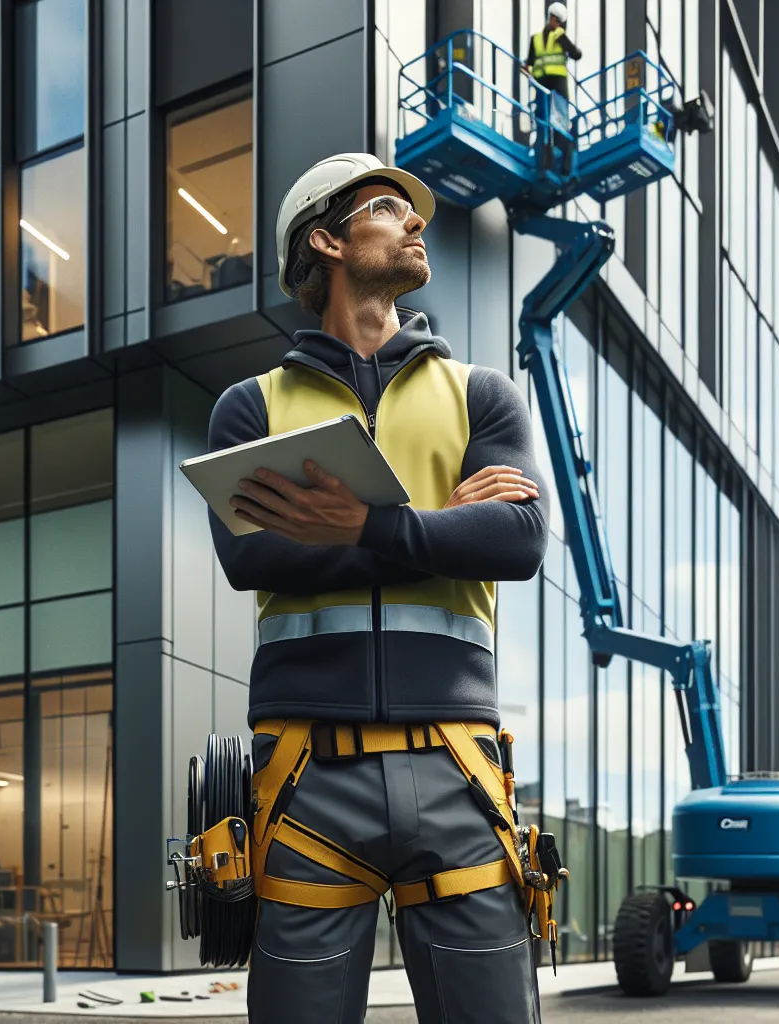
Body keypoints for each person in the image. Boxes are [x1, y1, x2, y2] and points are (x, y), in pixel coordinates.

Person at [206, 152, 550, 1023]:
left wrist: (361, 527)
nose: (416, 223)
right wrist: (440, 527)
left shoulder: (483, 396)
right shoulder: (249, 409)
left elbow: (516, 538)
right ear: (326, 239)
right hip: (306, 775)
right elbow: (254, 559)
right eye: (391, 207)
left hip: (457, 766)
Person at [527, 2, 583, 102]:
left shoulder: (560, 37)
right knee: (546, 112)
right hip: (545, 81)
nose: (555, 22)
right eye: (554, 18)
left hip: (555, 82)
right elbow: (530, 62)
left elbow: (576, 55)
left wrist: (562, 39)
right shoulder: (536, 39)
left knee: (554, 112)